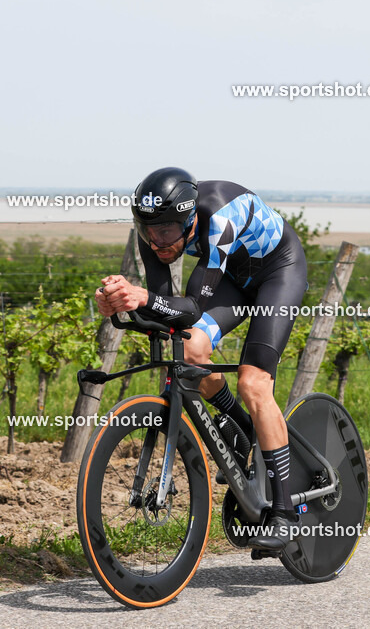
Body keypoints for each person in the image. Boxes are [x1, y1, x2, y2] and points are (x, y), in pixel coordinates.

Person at [95, 167, 307, 551]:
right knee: (191, 347)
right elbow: (165, 313)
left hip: (278, 272)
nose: (158, 242)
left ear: (190, 219)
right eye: (149, 232)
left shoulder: (218, 217)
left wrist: (143, 297)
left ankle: (284, 512)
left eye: (167, 232)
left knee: (253, 382)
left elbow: (191, 307)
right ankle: (242, 429)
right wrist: (119, 304)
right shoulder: (152, 231)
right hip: (234, 279)